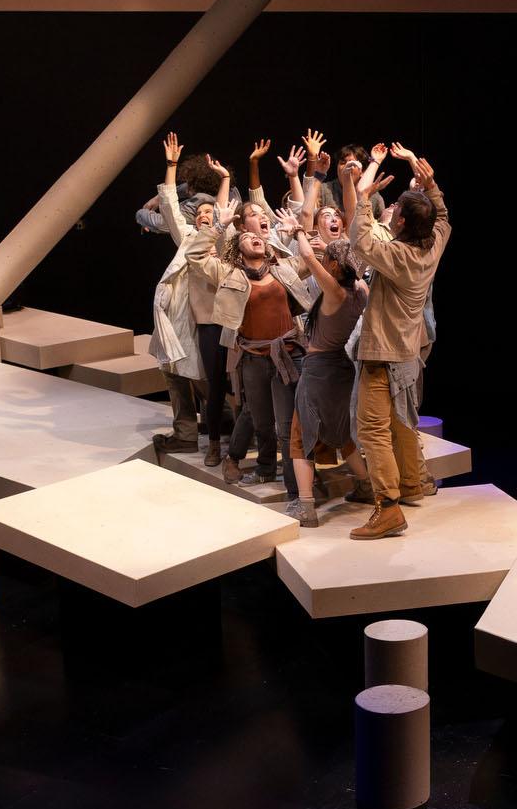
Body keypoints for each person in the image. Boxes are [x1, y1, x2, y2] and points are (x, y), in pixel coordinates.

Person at [341, 142, 450, 541]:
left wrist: (365, 198)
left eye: (398, 212)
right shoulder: (432, 247)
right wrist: (432, 185)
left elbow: (361, 239)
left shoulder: (399, 257)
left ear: (401, 222)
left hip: (383, 354)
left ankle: (387, 509)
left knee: (372, 429)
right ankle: (412, 483)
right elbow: (443, 217)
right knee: (402, 421)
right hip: (406, 351)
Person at [196, 140, 315, 489]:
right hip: (252, 357)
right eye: (248, 237)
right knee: (261, 421)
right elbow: (197, 258)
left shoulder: (283, 268)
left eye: (259, 236)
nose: (256, 238)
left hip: (287, 354)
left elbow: (310, 260)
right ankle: (264, 469)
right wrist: (218, 227)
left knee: (285, 424)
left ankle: (295, 488)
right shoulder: (228, 274)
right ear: (239, 246)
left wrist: (299, 232)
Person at [282, 152, 371, 528]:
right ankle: (366, 485)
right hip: (342, 368)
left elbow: (305, 253)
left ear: (334, 265)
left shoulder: (333, 289)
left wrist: (299, 231)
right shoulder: (361, 289)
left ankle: (306, 506)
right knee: (341, 434)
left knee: (301, 436)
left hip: (319, 368)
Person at [144, 134, 230, 455]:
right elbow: (170, 206)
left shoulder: (220, 241)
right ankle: (188, 432)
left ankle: (222, 421)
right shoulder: (189, 237)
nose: (207, 213)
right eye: (202, 211)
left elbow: (223, 213)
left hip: (202, 317)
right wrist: (171, 165)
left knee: (200, 374)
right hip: (176, 314)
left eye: (212, 210)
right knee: (174, 371)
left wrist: (224, 179)